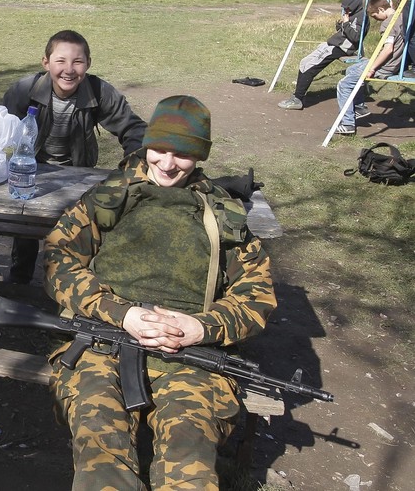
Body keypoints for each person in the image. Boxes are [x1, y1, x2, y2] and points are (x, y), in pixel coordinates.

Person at [42, 95, 277, 490]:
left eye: (182, 155)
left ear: (200, 156)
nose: (167, 164)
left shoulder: (222, 215)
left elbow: (257, 294)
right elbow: (57, 257)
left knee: (190, 469)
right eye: (159, 149)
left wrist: (201, 328)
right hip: (103, 344)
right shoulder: (110, 198)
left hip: (191, 357)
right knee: (100, 456)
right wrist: (120, 313)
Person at [2, 29, 147, 285]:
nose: (69, 69)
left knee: (79, 227)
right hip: (31, 169)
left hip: (78, 169)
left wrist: (134, 168)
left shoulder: (99, 91)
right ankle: (19, 279)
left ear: (88, 64)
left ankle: (70, 282)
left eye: (77, 62)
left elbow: (133, 128)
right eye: (60, 61)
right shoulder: (24, 90)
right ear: (46, 63)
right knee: (25, 223)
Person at [279, 0, 368, 111]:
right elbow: (345, 31)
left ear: (355, 5)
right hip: (335, 44)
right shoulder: (352, 14)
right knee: (305, 62)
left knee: (311, 66)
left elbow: (356, 37)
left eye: (348, 8)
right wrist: (341, 24)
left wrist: (346, 23)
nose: (346, 10)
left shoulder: (362, 16)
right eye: (345, 8)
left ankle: (298, 99)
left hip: (342, 48)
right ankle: (298, 96)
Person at [335, 0, 407, 135]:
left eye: (375, 16)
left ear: (381, 9)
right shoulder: (402, 17)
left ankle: (347, 124)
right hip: (396, 63)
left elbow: (388, 49)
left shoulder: (388, 24)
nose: (375, 19)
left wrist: (372, 68)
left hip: (386, 66)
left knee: (344, 85)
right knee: (351, 69)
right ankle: (360, 107)